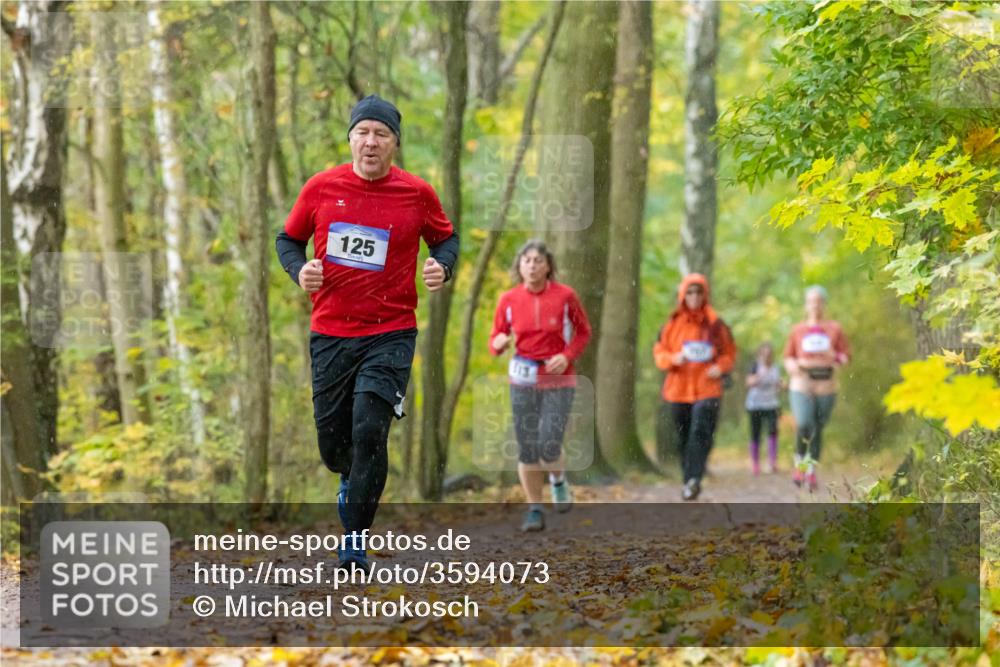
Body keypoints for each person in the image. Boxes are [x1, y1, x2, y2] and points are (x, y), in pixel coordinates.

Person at [275, 95, 459, 569]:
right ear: (351, 138)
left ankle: (354, 539)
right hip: (331, 332)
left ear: (395, 143)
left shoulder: (417, 193)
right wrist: (300, 272)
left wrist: (443, 266)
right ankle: (347, 478)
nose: (371, 142)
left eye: (381, 134)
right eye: (363, 132)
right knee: (335, 445)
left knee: (370, 429)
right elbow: (288, 240)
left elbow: (445, 239)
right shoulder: (321, 187)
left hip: (391, 332)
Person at [488, 240, 591, 532]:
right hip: (522, 377)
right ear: (519, 266)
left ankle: (558, 480)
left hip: (558, 377)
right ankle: (534, 509)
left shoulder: (565, 296)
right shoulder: (508, 299)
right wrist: (497, 344)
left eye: (538, 261)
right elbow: (497, 335)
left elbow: (583, 332)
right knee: (527, 447)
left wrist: (567, 355)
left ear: (548, 266)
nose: (532, 266)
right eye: (527, 260)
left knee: (549, 442)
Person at [653, 274, 736, 501]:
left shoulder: (716, 323)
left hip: (707, 388)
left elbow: (729, 353)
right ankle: (688, 478)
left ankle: (694, 479)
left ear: (705, 294)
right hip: (678, 390)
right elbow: (659, 355)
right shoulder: (672, 324)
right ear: (682, 295)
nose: (694, 297)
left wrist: (720, 367)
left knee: (700, 431)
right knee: (682, 437)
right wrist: (673, 359)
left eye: (699, 292)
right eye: (690, 292)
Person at [783, 285, 850, 492]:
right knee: (804, 423)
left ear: (824, 304)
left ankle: (811, 470)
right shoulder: (797, 330)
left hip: (826, 382)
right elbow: (788, 356)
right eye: (811, 301)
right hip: (802, 380)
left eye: (819, 301)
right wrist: (792, 366)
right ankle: (799, 463)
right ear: (806, 304)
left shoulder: (834, 329)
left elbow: (845, 356)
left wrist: (836, 360)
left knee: (818, 426)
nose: (815, 305)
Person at [745, 342, 782, 475]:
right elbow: (748, 383)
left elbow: (779, 384)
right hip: (755, 405)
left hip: (771, 404)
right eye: (764, 354)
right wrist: (759, 376)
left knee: (773, 431)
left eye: (769, 355)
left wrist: (782, 385)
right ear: (760, 355)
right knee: (756, 433)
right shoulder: (755, 366)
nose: (767, 357)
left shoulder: (776, 368)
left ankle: (772, 463)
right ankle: (755, 464)